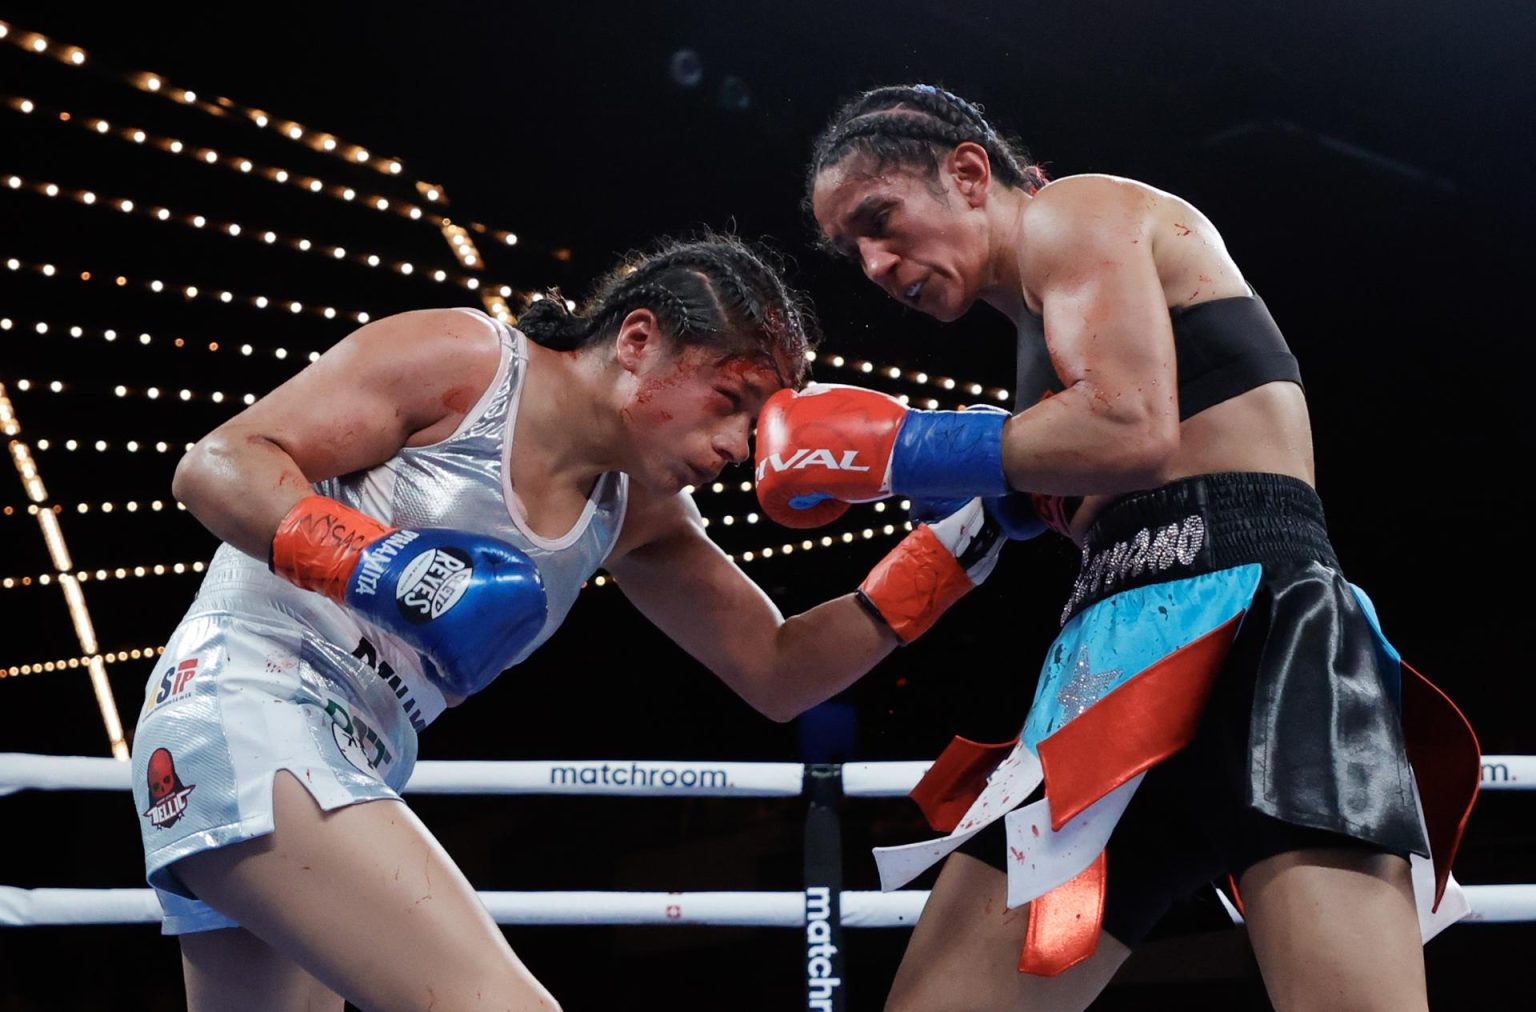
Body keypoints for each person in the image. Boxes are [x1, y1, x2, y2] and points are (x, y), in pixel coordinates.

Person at [130, 233, 1009, 1012]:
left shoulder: (633, 511)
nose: (743, 446)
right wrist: (385, 567)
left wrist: (968, 539)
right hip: (249, 704)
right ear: (637, 341)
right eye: (731, 398)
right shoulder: (466, 362)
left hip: (341, 753)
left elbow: (777, 670)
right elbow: (217, 465)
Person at [754, 84, 1481, 1011]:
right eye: (851, 247)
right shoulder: (1038, 340)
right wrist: (979, 499)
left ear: (971, 173)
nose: (872, 262)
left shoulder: (1077, 210)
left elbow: (1134, 426)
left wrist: (900, 446)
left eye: (879, 218)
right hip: (1109, 671)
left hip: (1259, 626)